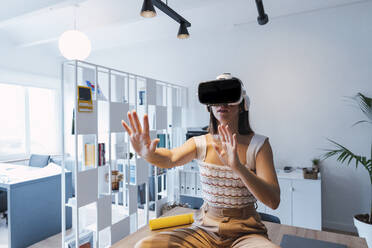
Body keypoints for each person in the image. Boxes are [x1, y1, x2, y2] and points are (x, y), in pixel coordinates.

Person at [121, 74, 281, 248]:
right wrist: (147, 154)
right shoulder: (200, 143)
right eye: (217, 98)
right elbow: (170, 158)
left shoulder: (259, 145)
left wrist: (238, 167)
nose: (223, 103)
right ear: (209, 106)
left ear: (243, 105)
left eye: (230, 96)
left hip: (246, 232)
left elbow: (273, 201)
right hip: (205, 229)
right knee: (145, 245)